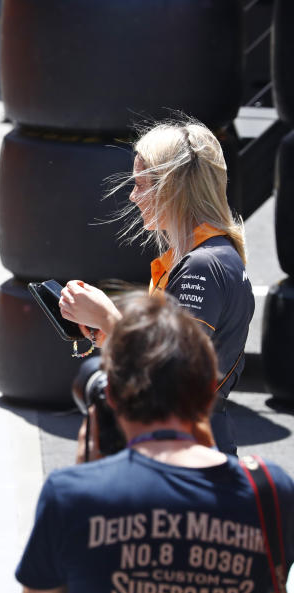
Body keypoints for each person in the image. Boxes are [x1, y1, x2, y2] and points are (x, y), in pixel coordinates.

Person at [17, 292, 294, 593]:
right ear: (209, 390)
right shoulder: (267, 488)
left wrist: (88, 467)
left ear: (113, 395)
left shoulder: (71, 494)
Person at [59, 119, 254, 455]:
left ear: (172, 188)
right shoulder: (205, 257)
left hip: (188, 450)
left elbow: (173, 375)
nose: (133, 196)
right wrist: (107, 333)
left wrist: (110, 319)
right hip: (191, 443)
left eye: (140, 184)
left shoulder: (202, 266)